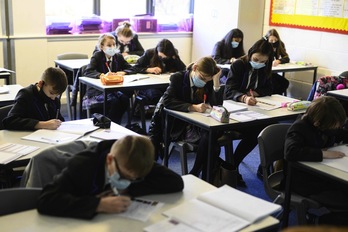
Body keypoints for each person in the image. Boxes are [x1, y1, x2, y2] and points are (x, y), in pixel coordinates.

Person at [37, 135, 184, 219]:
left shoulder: (136, 161)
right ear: (109, 160)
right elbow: (46, 200)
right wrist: (98, 204)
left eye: (135, 179)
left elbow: (176, 182)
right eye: (123, 176)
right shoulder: (83, 165)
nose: (128, 181)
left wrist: (129, 190)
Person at [284, 96, 348, 225]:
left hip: (325, 174)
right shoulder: (300, 127)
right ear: (318, 123)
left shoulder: (325, 126)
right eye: (334, 125)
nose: (337, 128)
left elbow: (341, 134)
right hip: (304, 180)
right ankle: (319, 222)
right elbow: (290, 152)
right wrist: (323, 154)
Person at [224, 38, 274, 186]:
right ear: (250, 54)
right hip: (234, 110)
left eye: (263, 61)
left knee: (273, 128)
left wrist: (257, 93)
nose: (258, 63)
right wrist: (243, 97)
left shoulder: (265, 67)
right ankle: (233, 165)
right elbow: (229, 90)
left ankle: (264, 166)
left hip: (256, 110)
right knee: (255, 132)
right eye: (256, 59)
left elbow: (269, 88)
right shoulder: (239, 65)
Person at [161, 56, 223, 176]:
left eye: (208, 80)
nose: (204, 82)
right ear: (195, 68)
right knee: (213, 145)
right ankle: (201, 174)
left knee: (211, 136)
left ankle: (197, 173)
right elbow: (167, 101)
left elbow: (217, 105)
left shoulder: (209, 81)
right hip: (182, 125)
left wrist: (216, 82)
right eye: (202, 78)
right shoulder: (178, 78)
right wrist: (192, 107)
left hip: (201, 123)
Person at [83, 32, 135, 124]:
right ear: (102, 46)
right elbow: (88, 71)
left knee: (125, 99)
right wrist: (102, 75)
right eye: (109, 45)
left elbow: (131, 68)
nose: (112, 47)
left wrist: (123, 72)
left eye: (114, 44)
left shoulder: (117, 56)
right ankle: (109, 123)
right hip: (98, 90)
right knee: (115, 102)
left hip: (114, 88)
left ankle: (115, 123)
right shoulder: (97, 56)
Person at [2, 67, 67, 130]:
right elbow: (10, 121)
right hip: (25, 137)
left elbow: (59, 119)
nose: (53, 98)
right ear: (41, 84)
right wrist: (42, 124)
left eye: (57, 95)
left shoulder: (54, 100)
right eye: (51, 93)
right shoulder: (26, 95)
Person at [132, 38, 186, 105]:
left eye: (165, 57)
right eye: (160, 56)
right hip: (149, 85)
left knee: (175, 94)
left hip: (164, 84)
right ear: (157, 50)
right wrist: (149, 70)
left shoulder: (172, 55)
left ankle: (167, 112)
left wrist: (175, 59)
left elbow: (183, 70)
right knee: (157, 96)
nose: (163, 58)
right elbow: (135, 68)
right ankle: (159, 113)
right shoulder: (149, 53)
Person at [264, 29, 290, 95]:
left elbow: (286, 58)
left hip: (273, 71)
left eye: (275, 40)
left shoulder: (280, 44)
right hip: (264, 71)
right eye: (271, 41)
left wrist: (279, 60)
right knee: (275, 83)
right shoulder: (263, 44)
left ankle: (276, 95)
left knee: (284, 83)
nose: (273, 42)